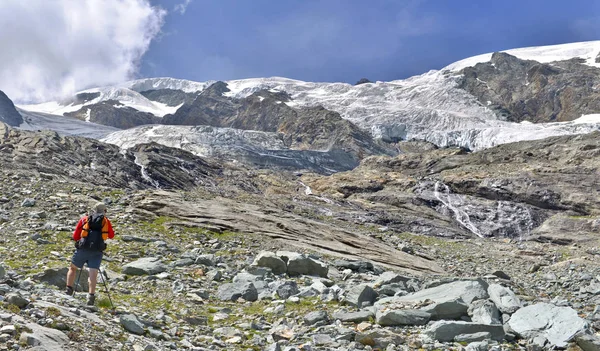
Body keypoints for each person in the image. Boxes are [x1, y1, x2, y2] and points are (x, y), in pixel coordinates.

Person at [65, 202, 115, 305]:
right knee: (93, 274)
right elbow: (111, 235)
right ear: (104, 211)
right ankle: (91, 297)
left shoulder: (85, 219)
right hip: (97, 251)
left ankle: (68, 290)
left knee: (73, 268)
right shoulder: (105, 221)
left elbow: (75, 236)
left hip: (83, 249)